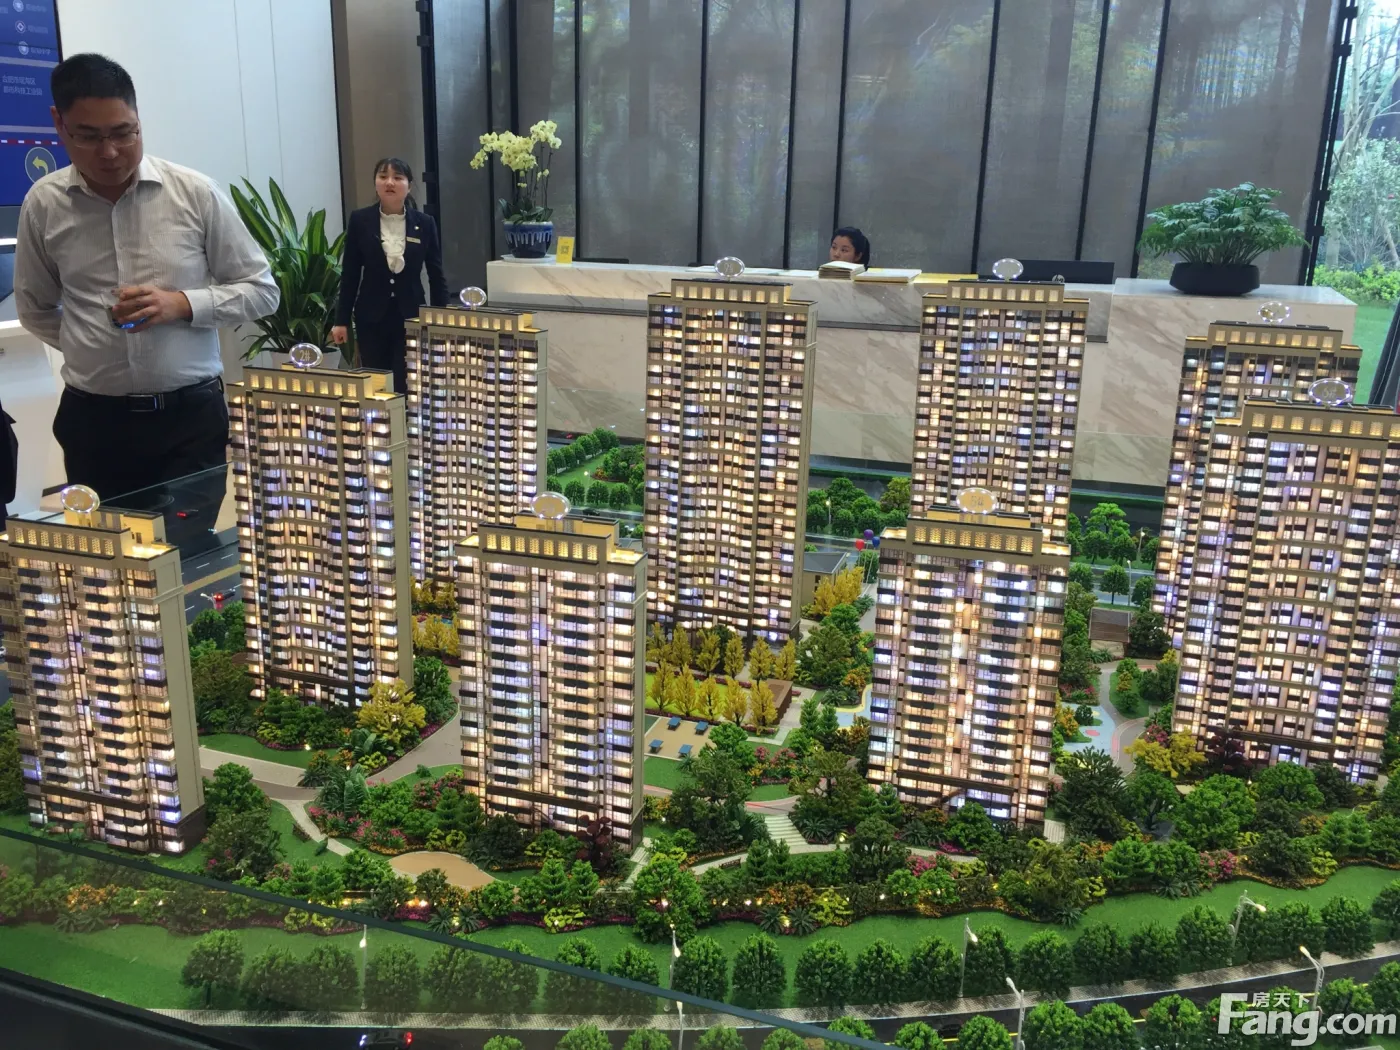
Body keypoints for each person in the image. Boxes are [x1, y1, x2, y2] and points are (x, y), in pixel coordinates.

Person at [14, 53, 278, 517]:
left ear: (139, 119)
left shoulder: (194, 193)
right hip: (94, 423)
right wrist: (90, 344)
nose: (110, 152)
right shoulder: (45, 204)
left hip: (189, 420)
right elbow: (35, 307)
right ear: (59, 124)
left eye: (124, 132)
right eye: (89, 137)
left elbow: (262, 290)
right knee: (112, 555)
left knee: (188, 548)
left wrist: (181, 304)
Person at [332, 158, 447, 393]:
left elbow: (436, 274)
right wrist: (341, 320)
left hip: (411, 315)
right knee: (377, 382)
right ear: (376, 184)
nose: (390, 182)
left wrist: (442, 318)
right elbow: (350, 273)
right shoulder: (360, 220)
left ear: (409, 185)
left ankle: (406, 418)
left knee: (408, 381)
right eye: (383, 177)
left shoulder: (425, 223)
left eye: (397, 177)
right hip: (371, 316)